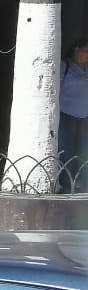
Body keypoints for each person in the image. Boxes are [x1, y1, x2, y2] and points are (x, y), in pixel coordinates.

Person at [59, 37, 88, 192]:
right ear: (77, 51)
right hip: (67, 115)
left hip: (85, 117)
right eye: (86, 51)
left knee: (83, 150)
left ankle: (82, 184)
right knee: (67, 150)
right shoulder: (65, 67)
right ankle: (66, 183)